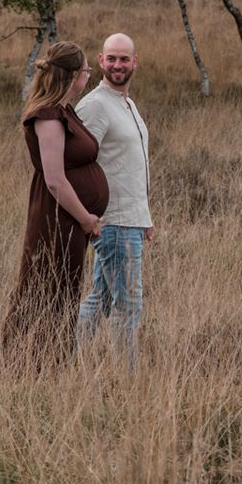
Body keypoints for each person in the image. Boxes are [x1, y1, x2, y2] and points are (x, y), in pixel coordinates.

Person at [0, 41, 109, 368]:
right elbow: (55, 180)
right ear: (74, 75)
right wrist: (87, 219)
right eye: (87, 70)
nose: (89, 75)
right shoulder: (47, 117)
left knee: (62, 292)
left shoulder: (63, 110)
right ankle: (16, 365)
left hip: (69, 219)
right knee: (42, 290)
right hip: (57, 218)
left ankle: (49, 366)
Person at [74, 32, 153, 367]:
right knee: (128, 304)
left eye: (124, 58)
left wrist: (145, 218)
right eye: (111, 58)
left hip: (131, 218)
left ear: (135, 62)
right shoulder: (94, 106)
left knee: (102, 299)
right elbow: (76, 162)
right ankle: (128, 379)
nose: (118, 65)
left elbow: (130, 166)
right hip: (113, 220)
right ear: (101, 60)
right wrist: (88, 215)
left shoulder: (126, 103)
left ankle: (62, 357)